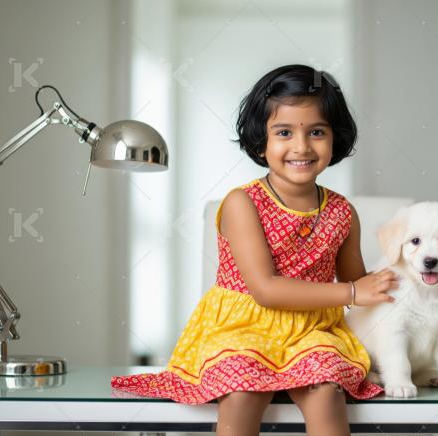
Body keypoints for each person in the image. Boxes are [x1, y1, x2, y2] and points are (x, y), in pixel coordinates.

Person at [111, 64, 401, 436]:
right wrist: (352, 293)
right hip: (242, 327)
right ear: (261, 142)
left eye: (316, 132)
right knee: (242, 389)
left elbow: (358, 282)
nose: (301, 146)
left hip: (312, 329)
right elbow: (265, 288)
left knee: (327, 388)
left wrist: (397, 278)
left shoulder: (343, 211)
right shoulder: (241, 204)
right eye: (284, 132)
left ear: (335, 138)